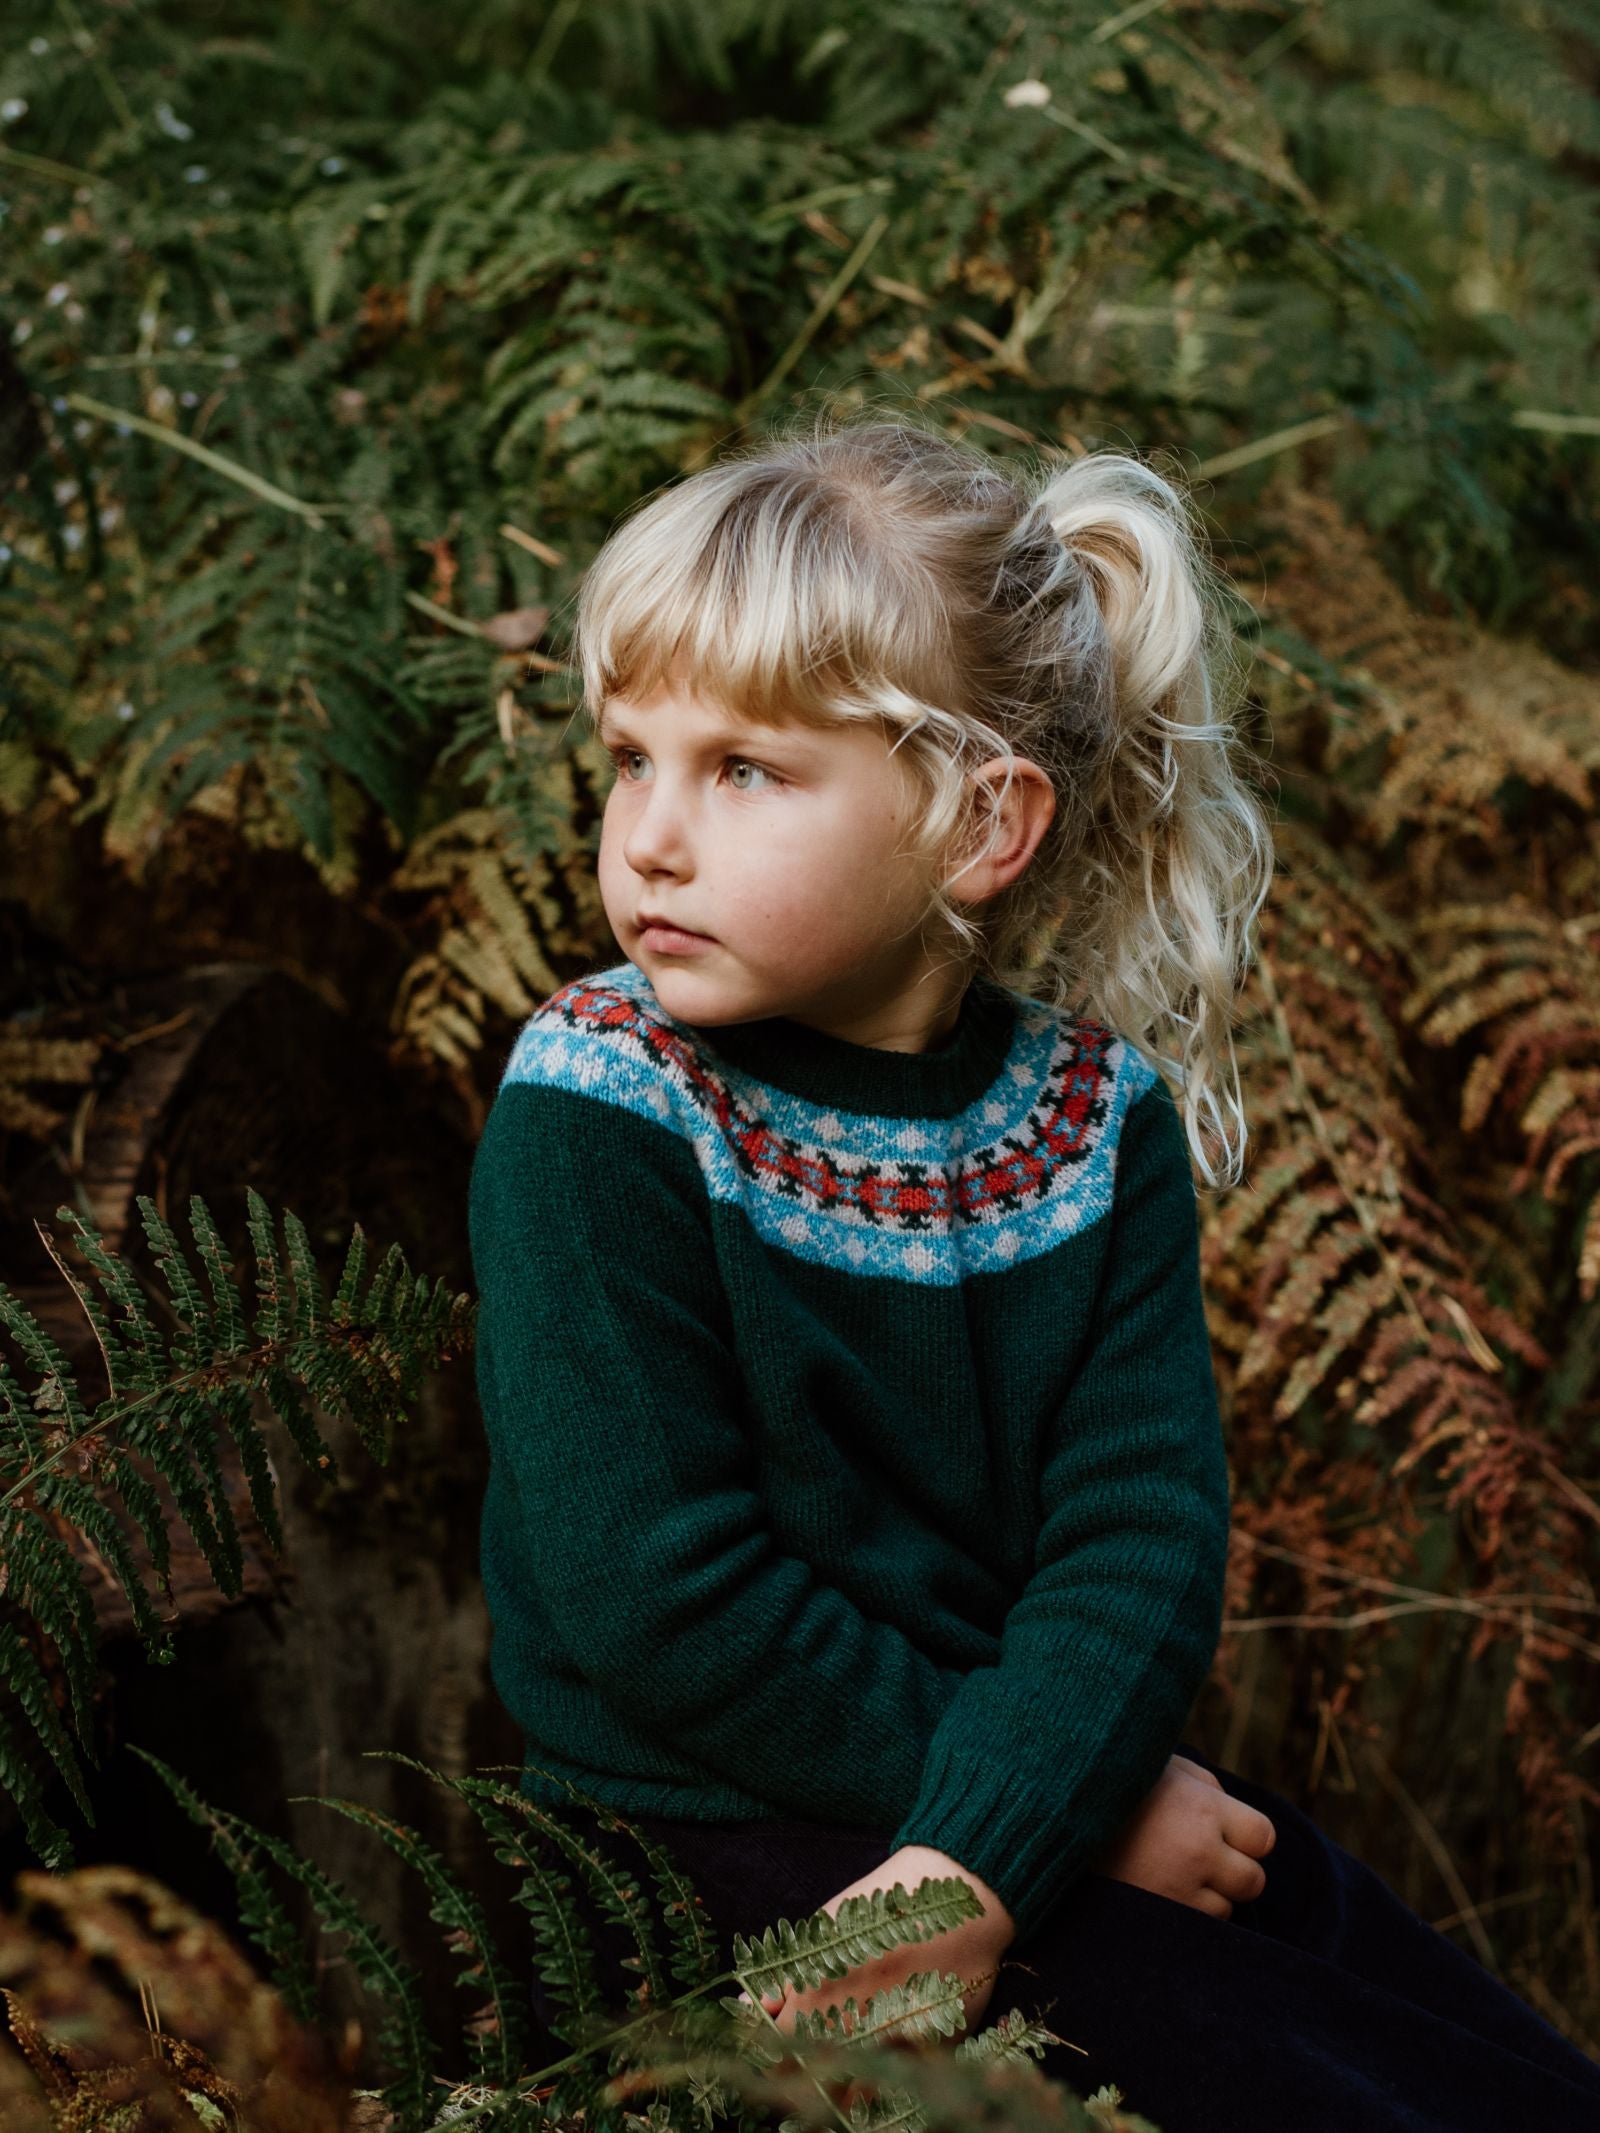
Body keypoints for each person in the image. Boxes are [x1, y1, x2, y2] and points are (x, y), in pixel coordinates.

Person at [467, 408, 1600, 2132]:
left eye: (745, 770)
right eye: (632, 756)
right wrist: (1028, 1834)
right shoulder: (603, 1103)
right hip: (697, 1844)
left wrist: (1015, 1827)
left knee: (1456, 2044)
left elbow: (1133, 1540)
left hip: (1019, 1795)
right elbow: (659, 1597)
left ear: (979, 823)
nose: (652, 837)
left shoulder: (1089, 1118)